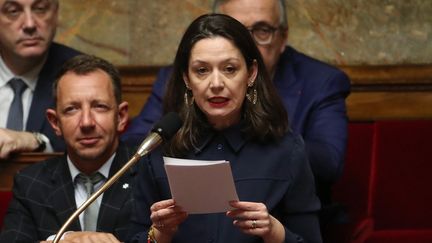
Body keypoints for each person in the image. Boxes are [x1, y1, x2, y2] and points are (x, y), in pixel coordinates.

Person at [121, 0, 350, 225]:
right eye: (234, 27)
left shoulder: (321, 83)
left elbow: (328, 164)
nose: (246, 40)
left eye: (261, 30)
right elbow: (135, 146)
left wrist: (257, 143)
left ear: (282, 37)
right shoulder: (177, 80)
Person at [0, 55, 135, 243]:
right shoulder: (30, 183)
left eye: (99, 106)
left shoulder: (150, 174)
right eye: (72, 109)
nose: (87, 122)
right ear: (55, 123)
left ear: (120, 117)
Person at [0, 0, 81, 159]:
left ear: (56, 13)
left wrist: (37, 141)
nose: (29, 24)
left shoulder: (82, 73)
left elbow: (94, 150)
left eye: (40, 9)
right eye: (13, 11)